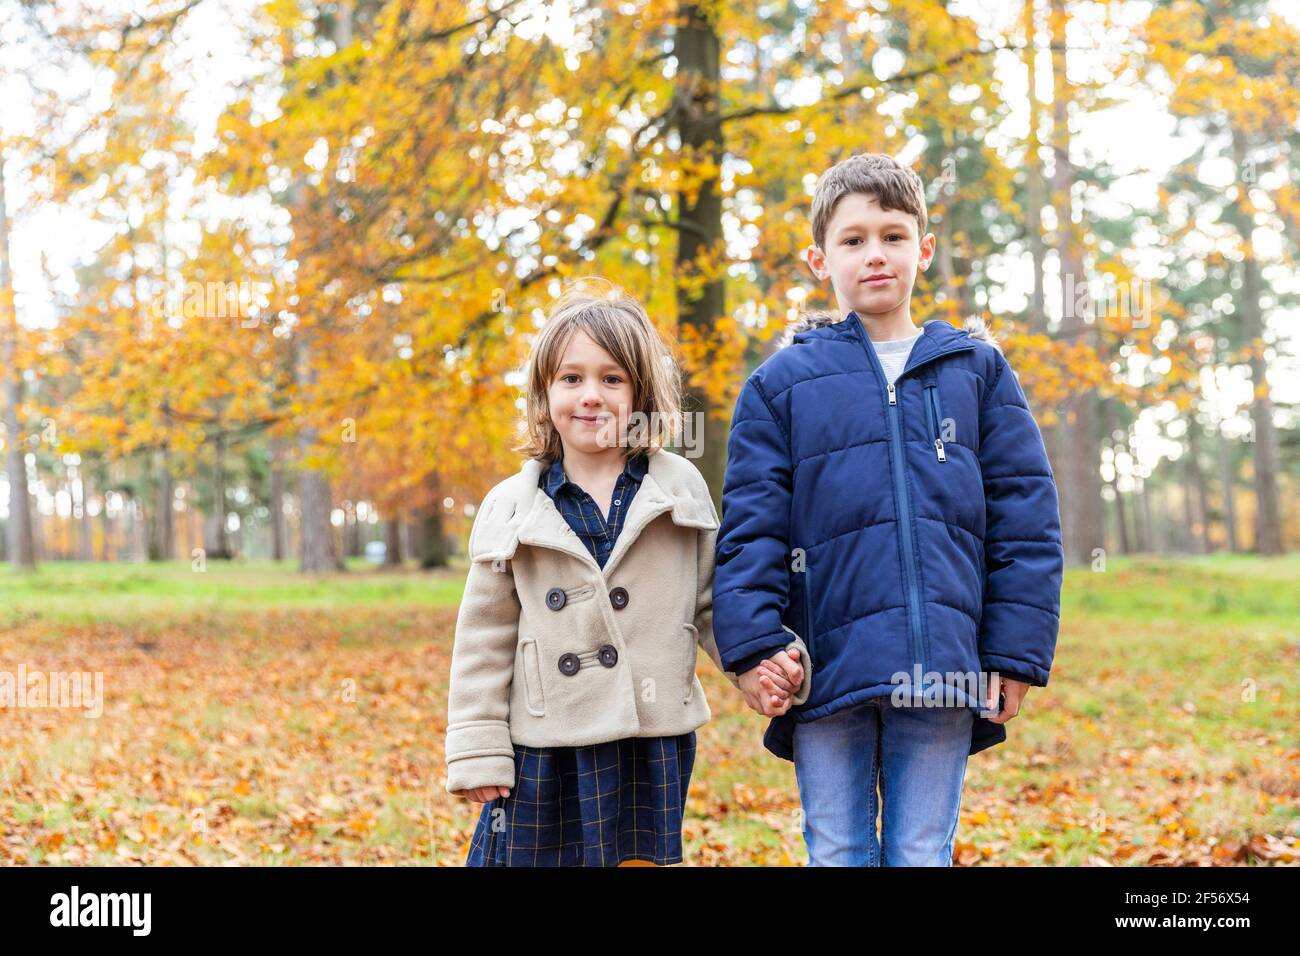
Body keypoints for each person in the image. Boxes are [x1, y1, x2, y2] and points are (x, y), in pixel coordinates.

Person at [712, 152, 1063, 866]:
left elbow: (1027, 520)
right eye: (853, 239)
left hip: (943, 666)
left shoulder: (977, 371)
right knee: (837, 849)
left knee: (920, 850)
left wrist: (1014, 653)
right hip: (825, 666)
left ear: (924, 249)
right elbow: (750, 531)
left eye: (894, 236)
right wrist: (752, 649)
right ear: (820, 259)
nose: (876, 254)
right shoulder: (781, 385)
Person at [445, 278, 810, 866]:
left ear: (643, 394)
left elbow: (714, 602)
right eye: (571, 378)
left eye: (612, 379)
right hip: (546, 741)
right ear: (544, 393)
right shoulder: (512, 504)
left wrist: (754, 665)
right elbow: (483, 639)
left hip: (651, 735)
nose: (591, 395)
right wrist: (477, 750)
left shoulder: (678, 486)